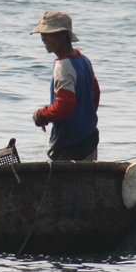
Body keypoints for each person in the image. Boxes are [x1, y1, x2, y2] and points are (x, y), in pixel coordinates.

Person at [29, 11, 100, 161]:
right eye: (41, 34)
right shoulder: (83, 60)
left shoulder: (63, 66)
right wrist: (85, 119)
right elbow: (95, 94)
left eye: (47, 33)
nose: (43, 38)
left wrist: (41, 115)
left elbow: (65, 106)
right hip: (89, 139)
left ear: (62, 35)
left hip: (71, 147)